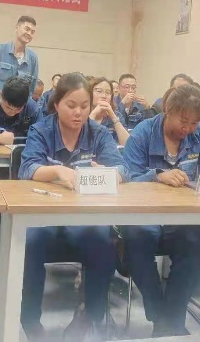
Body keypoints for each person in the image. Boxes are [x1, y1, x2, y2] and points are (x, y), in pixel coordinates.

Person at [18, 73, 127, 340]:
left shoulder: (98, 133)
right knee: (29, 242)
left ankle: (89, 314)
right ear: (56, 104)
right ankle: (29, 320)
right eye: (71, 105)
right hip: (45, 214)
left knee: (103, 242)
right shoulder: (41, 130)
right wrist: (56, 171)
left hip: (83, 216)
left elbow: (124, 168)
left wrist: (110, 173)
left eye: (84, 106)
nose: (79, 112)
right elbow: (26, 168)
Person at [122, 85, 200, 336]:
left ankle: (169, 322)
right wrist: (157, 175)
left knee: (193, 251)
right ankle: (162, 318)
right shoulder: (143, 132)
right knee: (137, 244)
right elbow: (127, 177)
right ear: (168, 110)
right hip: (144, 215)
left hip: (182, 216)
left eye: (194, 123)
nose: (188, 128)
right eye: (183, 121)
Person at [0, 76, 41, 145]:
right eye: (8, 107)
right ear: (1, 94)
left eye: (18, 109)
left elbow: (42, 135)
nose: (12, 113)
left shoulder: (32, 108)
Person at [0, 15, 39, 95]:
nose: (29, 33)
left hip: (21, 102)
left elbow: (32, 87)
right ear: (17, 28)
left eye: (32, 32)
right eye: (27, 29)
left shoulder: (33, 58)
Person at [89, 77, 129, 145]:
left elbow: (127, 144)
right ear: (89, 93)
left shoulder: (117, 115)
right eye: (99, 91)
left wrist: (113, 117)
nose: (104, 96)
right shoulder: (83, 114)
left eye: (108, 93)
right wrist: (93, 114)